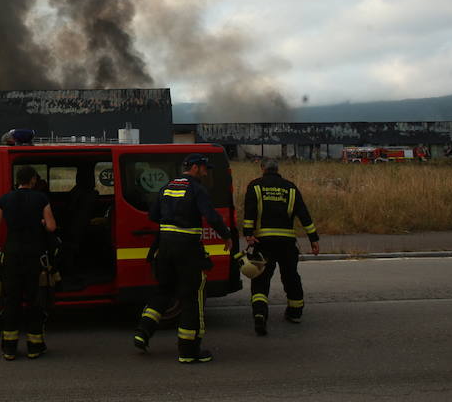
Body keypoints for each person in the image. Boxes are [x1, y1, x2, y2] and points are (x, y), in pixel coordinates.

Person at [133, 154, 232, 364]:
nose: (206, 172)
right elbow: (211, 216)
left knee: (164, 290)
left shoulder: (167, 187)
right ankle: (188, 351)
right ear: (195, 168)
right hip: (187, 248)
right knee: (190, 298)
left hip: (165, 247)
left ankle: (143, 332)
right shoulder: (197, 189)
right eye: (204, 168)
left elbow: (153, 215)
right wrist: (226, 235)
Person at [0, 165, 57, 360]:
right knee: (34, 301)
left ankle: (9, 349)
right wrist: (41, 222)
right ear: (33, 180)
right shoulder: (41, 198)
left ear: (17, 180)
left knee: (11, 301)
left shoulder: (5, 199)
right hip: (34, 257)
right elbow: (51, 226)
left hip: (12, 256)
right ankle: (35, 347)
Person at [243, 158, 320, 336]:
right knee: (291, 277)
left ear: (262, 168)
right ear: (278, 169)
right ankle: (295, 313)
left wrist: (248, 233)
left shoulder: (255, 186)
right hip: (287, 243)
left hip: (263, 242)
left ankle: (260, 314)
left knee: (260, 279)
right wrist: (313, 239)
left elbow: (250, 212)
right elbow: (304, 214)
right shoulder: (291, 188)